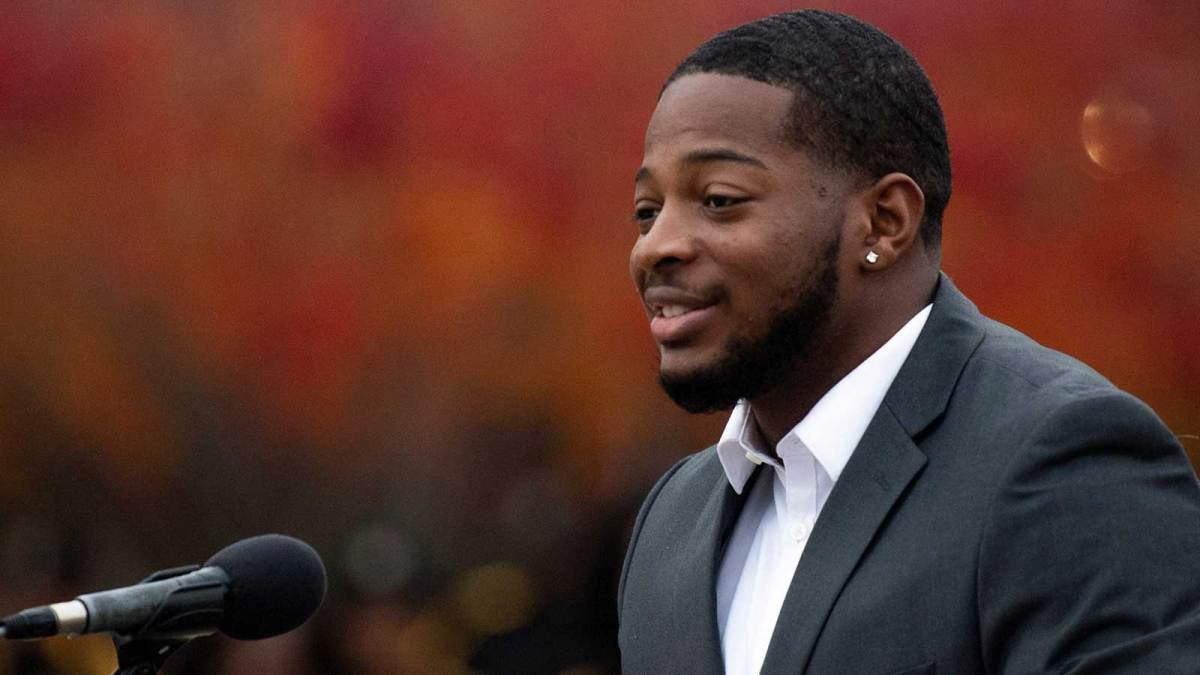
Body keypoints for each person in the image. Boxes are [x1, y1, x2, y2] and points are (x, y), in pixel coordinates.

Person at [617, 9, 1200, 675]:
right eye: (646, 210)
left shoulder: (1062, 464)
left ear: (884, 222)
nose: (656, 246)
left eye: (719, 199)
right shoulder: (670, 521)